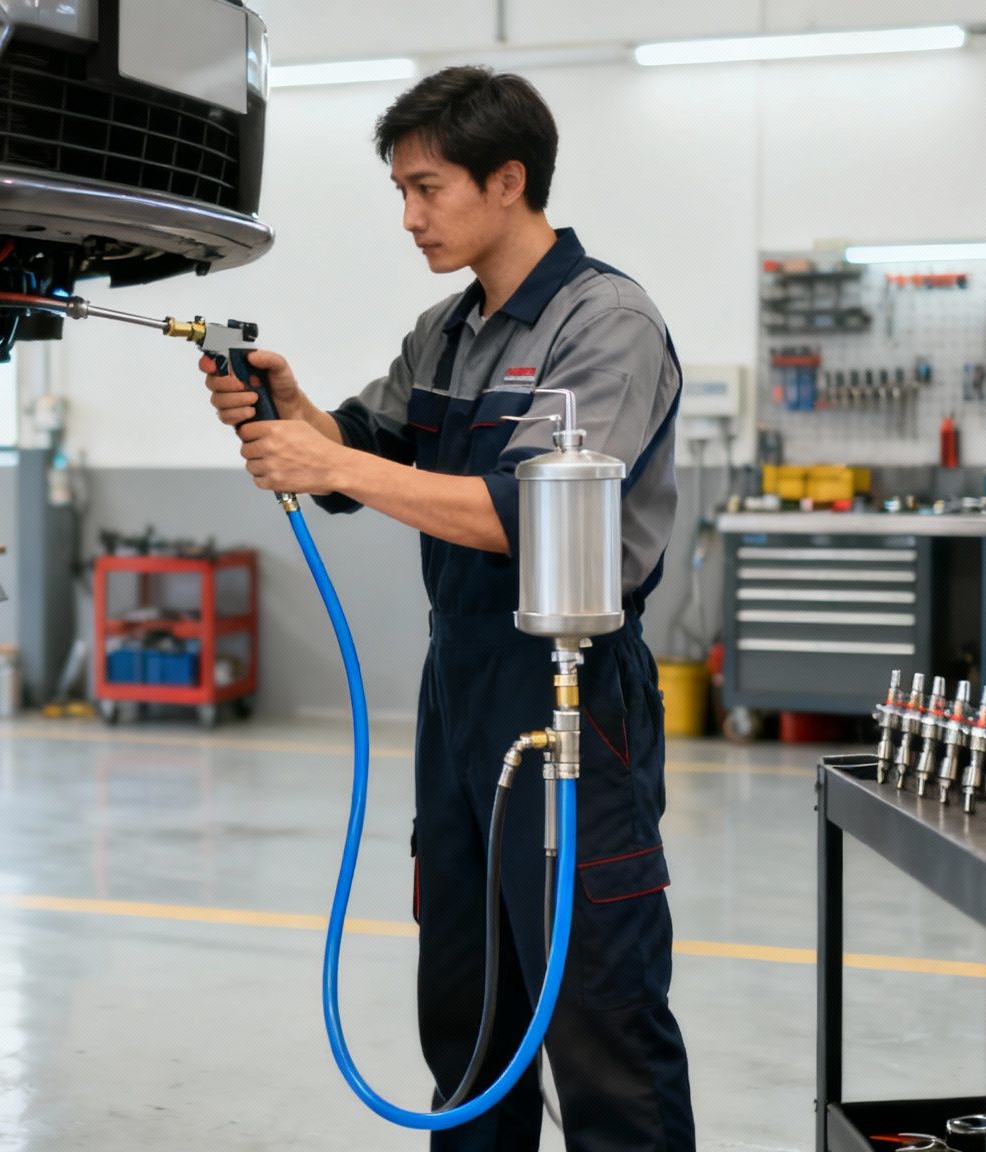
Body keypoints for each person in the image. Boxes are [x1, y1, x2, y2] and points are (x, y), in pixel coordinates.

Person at [200, 67, 695, 1151]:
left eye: (426, 188)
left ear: (506, 180)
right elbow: (360, 455)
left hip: (569, 697)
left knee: (597, 1011)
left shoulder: (600, 323)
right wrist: (298, 417)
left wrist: (331, 461)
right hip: (459, 695)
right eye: (400, 191)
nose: (409, 216)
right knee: (466, 1013)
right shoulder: (447, 328)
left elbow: (533, 514)